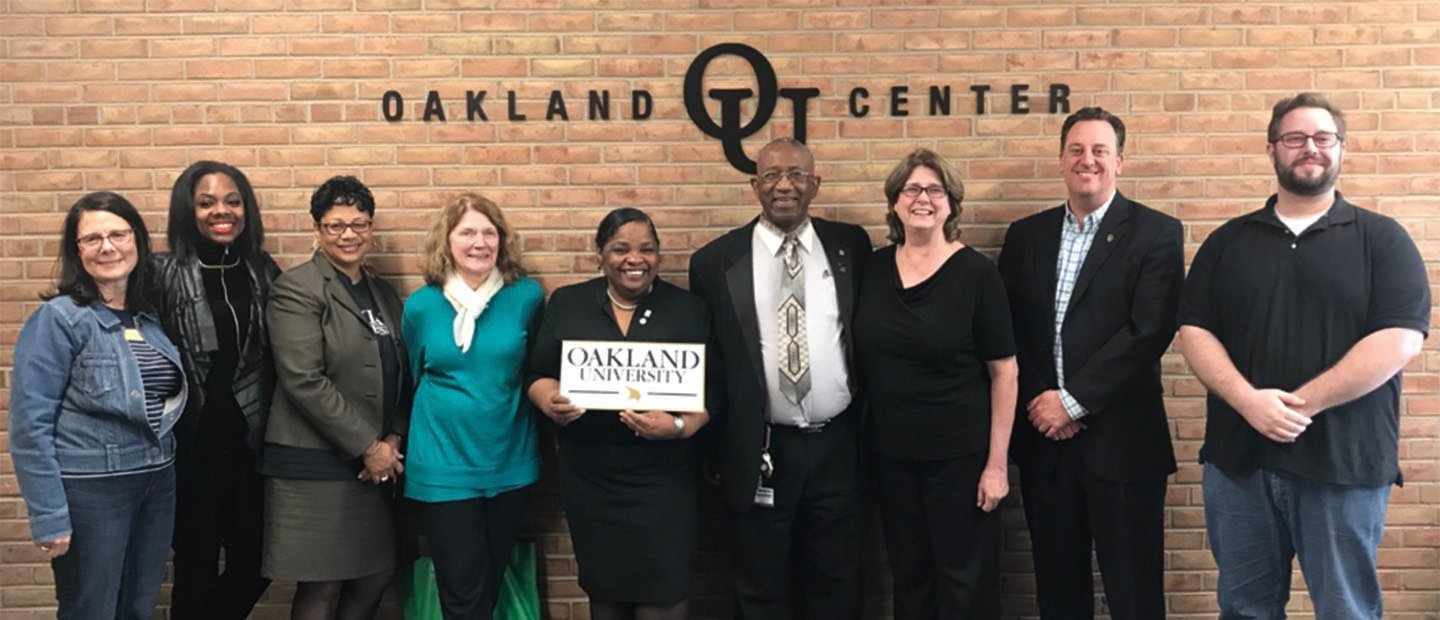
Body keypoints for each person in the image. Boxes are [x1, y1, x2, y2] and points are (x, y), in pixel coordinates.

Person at [1179, 92, 1429, 619]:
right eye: (1294, 138)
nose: (1309, 148)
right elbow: (1195, 331)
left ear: (1340, 150)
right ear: (1271, 150)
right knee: (1244, 609)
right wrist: (1248, 402)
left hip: (1344, 465)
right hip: (1239, 466)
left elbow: (1400, 339)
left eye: (1322, 138)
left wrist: (1300, 406)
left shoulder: (1382, 241)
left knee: (1346, 611)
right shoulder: (1227, 242)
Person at [996, 107, 1184, 619]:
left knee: (1135, 592)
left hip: (1123, 443)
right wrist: (1042, 402)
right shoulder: (1025, 236)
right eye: (1077, 150)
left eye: (1100, 150)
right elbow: (1008, 330)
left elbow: (1148, 331)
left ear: (1119, 162)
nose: (1088, 160)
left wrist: (1073, 403)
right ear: (1060, 161)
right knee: (1058, 592)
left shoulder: (1156, 233)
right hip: (1045, 445)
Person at [688, 137, 873, 620]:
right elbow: (709, 364)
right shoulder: (714, 262)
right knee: (760, 586)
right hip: (759, 447)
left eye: (796, 174)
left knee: (837, 582)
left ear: (816, 184)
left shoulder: (850, 245)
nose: (784, 185)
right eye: (771, 175)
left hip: (839, 445)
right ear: (754, 186)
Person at [856, 149, 1017, 619]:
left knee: (964, 583)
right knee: (911, 579)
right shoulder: (873, 269)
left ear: (951, 204)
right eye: (911, 189)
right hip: (891, 458)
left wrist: (997, 466)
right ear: (894, 203)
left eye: (934, 190)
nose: (922, 198)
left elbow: (1004, 372)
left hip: (961, 461)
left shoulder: (978, 275)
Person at [527, 208, 711, 620]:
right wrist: (550, 400)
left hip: (664, 482)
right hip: (592, 482)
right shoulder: (569, 303)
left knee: (665, 598)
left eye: (647, 249)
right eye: (621, 249)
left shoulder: (688, 310)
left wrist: (679, 426)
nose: (635, 259)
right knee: (606, 599)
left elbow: (712, 393)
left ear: (658, 256)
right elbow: (537, 373)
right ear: (600, 254)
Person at [10, 192, 186, 619]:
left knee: (138, 606)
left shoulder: (149, 316)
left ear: (137, 241)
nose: (108, 247)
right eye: (92, 239)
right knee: (91, 609)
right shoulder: (60, 319)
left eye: (118, 234)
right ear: (77, 251)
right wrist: (50, 516)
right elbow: (30, 426)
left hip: (156, 480)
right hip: (92, 489)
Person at [261, 176, 408, 619]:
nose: (348, 235)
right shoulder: (298, 288)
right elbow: (303, 378)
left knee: (376, 573)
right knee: (322, 583)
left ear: (371, 227)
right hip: (317, 463)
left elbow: (402, 370)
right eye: (335, 225)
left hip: (377, 462)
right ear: (317, 229)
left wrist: (395, 438)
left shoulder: (381, 292)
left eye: (359, 224)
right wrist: (368, 447)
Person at [402, 193, 545, 620]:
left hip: (509, 461)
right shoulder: (422, 305)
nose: (479, 242)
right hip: (443, 466)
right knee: (462, 592)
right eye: (467, 232)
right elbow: (413, 376)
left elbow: (536, 370)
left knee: (488, 583)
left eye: (489, 232)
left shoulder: (528, 298)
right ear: (447, 242)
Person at [152, 160, 278, 619]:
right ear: (188, 210)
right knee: (194, 567)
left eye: (232, 200)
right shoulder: (161, 273)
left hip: (251, 448)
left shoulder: (261, 269)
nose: (220, 211)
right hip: (191, 449)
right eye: (206, 202)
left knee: (258, 562)